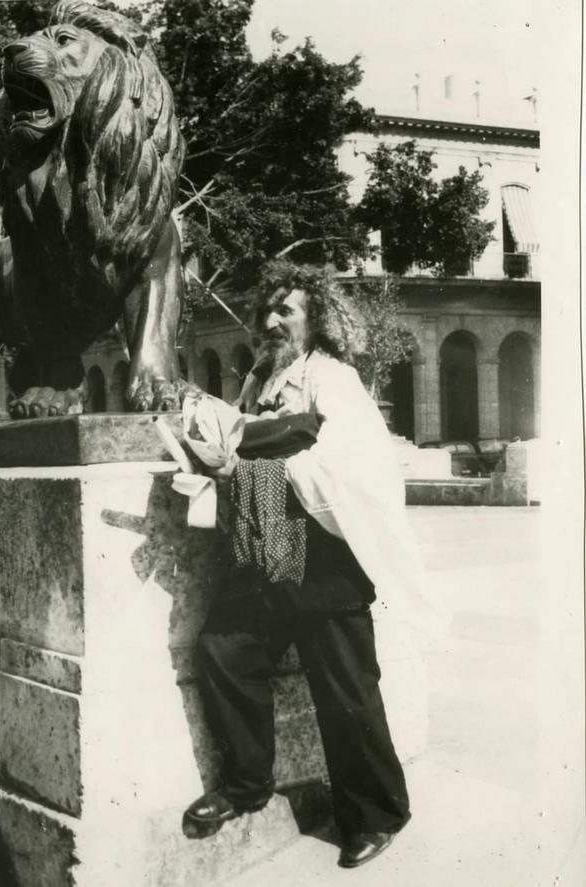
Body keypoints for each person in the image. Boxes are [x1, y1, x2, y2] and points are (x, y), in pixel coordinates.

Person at [182, 263, 436, 870]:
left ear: (314, 320)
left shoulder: (333, 379)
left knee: (346, 689)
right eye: (267, 310)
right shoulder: (258, 382)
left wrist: (250, 469)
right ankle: (247, 785)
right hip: (266, 550)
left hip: (324, 556)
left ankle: (377, 814)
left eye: (286, 311)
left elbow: (350, 465)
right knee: (223, 650)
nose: (271, 321)